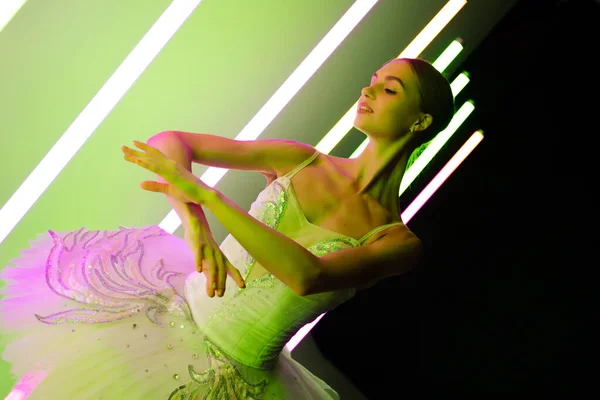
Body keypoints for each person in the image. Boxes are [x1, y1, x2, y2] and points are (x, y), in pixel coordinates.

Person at [0, 57, 454, 399]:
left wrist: (208, 196)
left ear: (421, 120)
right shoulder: (301, 160)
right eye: (372, 81)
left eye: (389, 89)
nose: (368, 91)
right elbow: (170, 142)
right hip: (158, 330)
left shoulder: (396, 241)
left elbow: (308, 276)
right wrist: (195, 224)